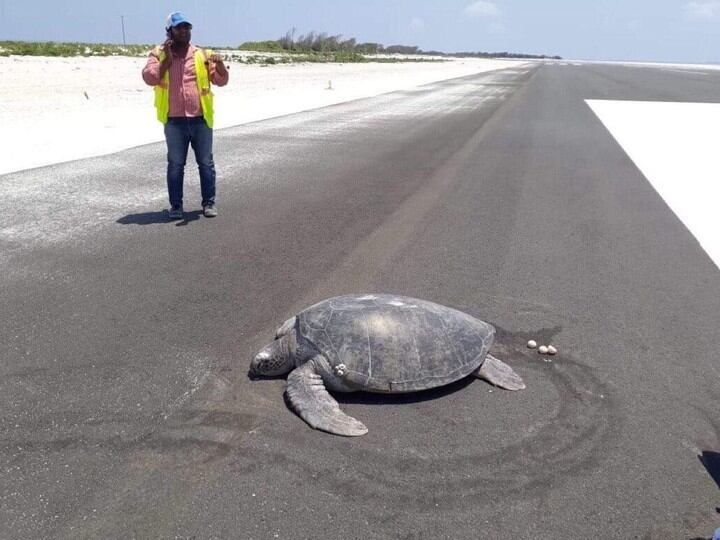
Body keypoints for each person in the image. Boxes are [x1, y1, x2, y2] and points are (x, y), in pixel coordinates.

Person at [142, 11, 229, 219]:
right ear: (170, 31)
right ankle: (176, 206)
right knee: (175, 165)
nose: (184, 31)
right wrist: (167, 61)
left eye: (187, 28)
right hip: (174, 122)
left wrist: (221, 66)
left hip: (201, 119)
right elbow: (150, 78)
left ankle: (209, 203)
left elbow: (221, 80)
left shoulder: (202, 54)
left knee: (206, 163)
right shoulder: (158, 54)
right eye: (179, 28)